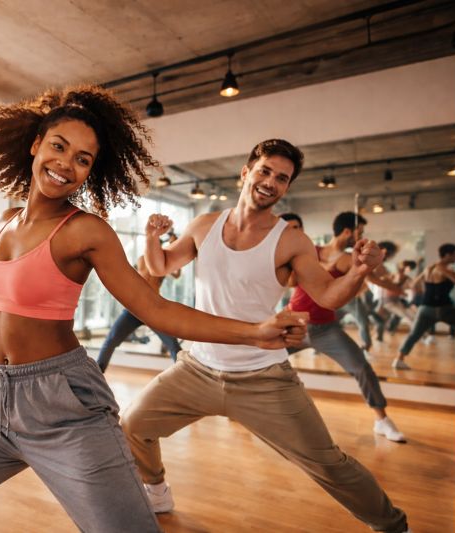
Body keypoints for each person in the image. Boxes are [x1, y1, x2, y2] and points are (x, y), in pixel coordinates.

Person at [0, 86, 307, 533]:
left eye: (82, 159)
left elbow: (155, 308)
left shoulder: (85, 231)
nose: (66, 164)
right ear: (36, 145)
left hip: (65, 407)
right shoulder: (6, 220)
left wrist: (255, 331)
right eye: (58, 147)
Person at [122, 139, 408, 532]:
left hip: (263, 377)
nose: (271, 181)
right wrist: (151, 237)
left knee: (328, 463)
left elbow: (328, 295)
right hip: (197, 369)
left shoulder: (290, 240)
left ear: (287, 187)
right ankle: (156, 491)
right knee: (132, 425)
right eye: (265, 171)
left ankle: (393, 525)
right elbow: (161, 266)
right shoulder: (204, 225)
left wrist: (359, 271)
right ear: (246, 172)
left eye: (282, 178)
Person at [288, 215, 405, 442]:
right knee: (257, 357)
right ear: (347, 231)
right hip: (295, 324)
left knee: (361, 367)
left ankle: (382, 420)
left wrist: (394, 285)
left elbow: (372, 278)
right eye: (359, 231)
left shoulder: (347, 261)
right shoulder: (310, 251)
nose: (362, 236)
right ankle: (243, 406)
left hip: (325, 329)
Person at [95, 232, 182, 373]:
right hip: (134, 309)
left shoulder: (163, 262)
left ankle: (183, 373)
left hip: (154, 310)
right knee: (111, 340)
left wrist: (174, 244)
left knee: (172, 343)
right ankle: (98, 373)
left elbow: (177, 273)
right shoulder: (141, 259)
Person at [393, 243, 455, 369]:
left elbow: (413, 284)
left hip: (425, 308)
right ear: (447, 255)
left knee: (414, 334)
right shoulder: (444, 269)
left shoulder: (429, 268)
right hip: (443, 308)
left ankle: (398, 360)